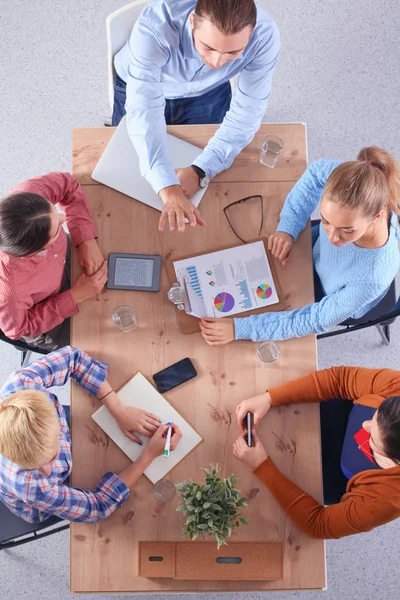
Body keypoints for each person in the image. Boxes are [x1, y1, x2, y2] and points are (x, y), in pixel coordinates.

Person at [200, 146, 400, 345]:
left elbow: (315, 319)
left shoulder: (373, 276)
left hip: (332, 294)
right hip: (314, 254)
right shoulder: (351, 181)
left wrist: (241, 329)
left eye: (346, 230)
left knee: (257, 309)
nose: (332, 236)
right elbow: (315, 173)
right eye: (325, 221)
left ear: (377, 216)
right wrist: (288, 227)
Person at [113, 0, 280, 233]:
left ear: (251, 33)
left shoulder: (265, 35)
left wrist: (201, 170)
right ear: (192, 21)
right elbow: (144, 112)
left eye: (233, 52)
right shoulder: (154, 28)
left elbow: (247, 112)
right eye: (208, 47)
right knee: (124, 168)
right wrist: (168, 187)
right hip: (141, 83)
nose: (216, 62)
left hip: (207, 90)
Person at [0, 346, 182, 523]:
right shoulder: (32, 486)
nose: (48, 472)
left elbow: (72, 358)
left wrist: (119, 410)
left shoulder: (22, 383)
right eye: (34, 467)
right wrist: (149, 455)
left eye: (50, 458)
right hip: (40, 504)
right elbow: (98, 507)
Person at [233, 365, 400, 539]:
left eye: (373, 438)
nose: (365, 426)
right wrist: (269, 398)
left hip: (330, 473)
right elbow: (340, 379)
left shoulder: (388, 499)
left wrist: (261, 465)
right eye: (375, 414)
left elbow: (319, 524)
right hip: (325, 416)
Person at [0, 172, 108, 350]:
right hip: (49, 317)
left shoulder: (31, 197)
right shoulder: (9, 292)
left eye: (54, 211)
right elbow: (20, 329)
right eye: (58, 228)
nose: (64, 219)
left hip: (64, 260)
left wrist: (85, 239)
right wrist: (74, 296)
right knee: (101, 343)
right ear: (34, 253)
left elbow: (68, 185)